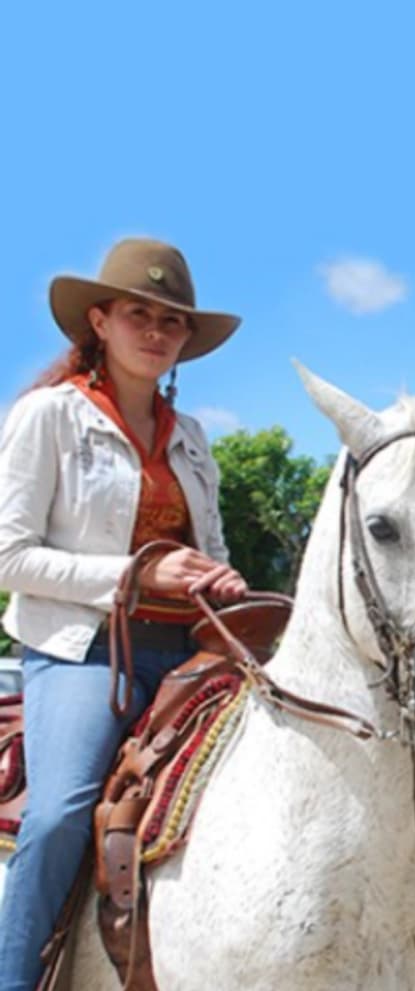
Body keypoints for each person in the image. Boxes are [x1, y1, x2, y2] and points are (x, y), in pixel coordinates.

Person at [0, 238, 247, 990]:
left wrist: (220, 577)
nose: (157, 331)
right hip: (82, 653)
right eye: (139, 313)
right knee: (60, 813)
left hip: (190, 651)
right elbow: (9, 557)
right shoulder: (48, 417)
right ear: (99, 321)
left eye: (172, 321)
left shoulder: (194, 437)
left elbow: (207, 543)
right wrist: (137, 575)